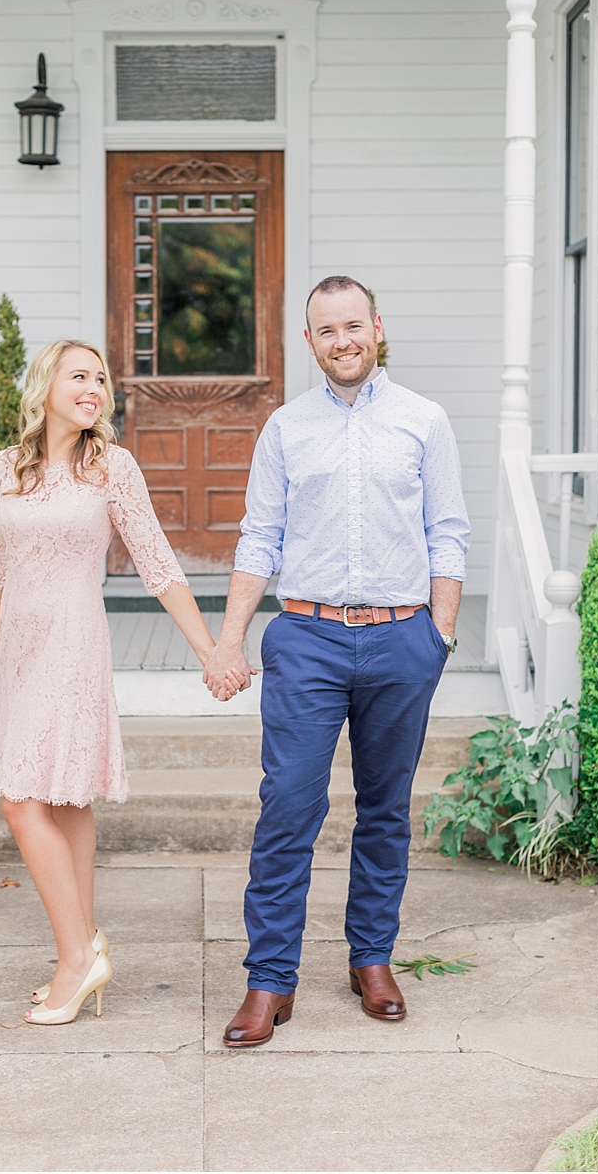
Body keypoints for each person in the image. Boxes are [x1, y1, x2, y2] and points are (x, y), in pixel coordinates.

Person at [203, 275, 471, 1047]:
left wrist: (438, 636)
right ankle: (268, 979)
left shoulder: (424, 421)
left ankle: (371, 959)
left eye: (353, 325)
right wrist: (229, 640)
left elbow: (447, 531)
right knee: (288, 807)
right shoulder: (286, 428)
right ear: (310, 340)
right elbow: (259, 538)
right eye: (326, 330)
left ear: (376, 329)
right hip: (308, 637)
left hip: (399, 639)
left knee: (384, 810)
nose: (342, 340)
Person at [0, 338, 242, 1026]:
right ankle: (82, 941)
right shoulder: (5, 467)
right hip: (20, 650)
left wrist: (211, 649)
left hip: (72, 643)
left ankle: (75, 961)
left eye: (101, 379)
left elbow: (156, 564)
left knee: (20, 800)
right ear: (46, 386)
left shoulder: (110, 467)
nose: (94, 387)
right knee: (61, 801)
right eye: (79, 375)